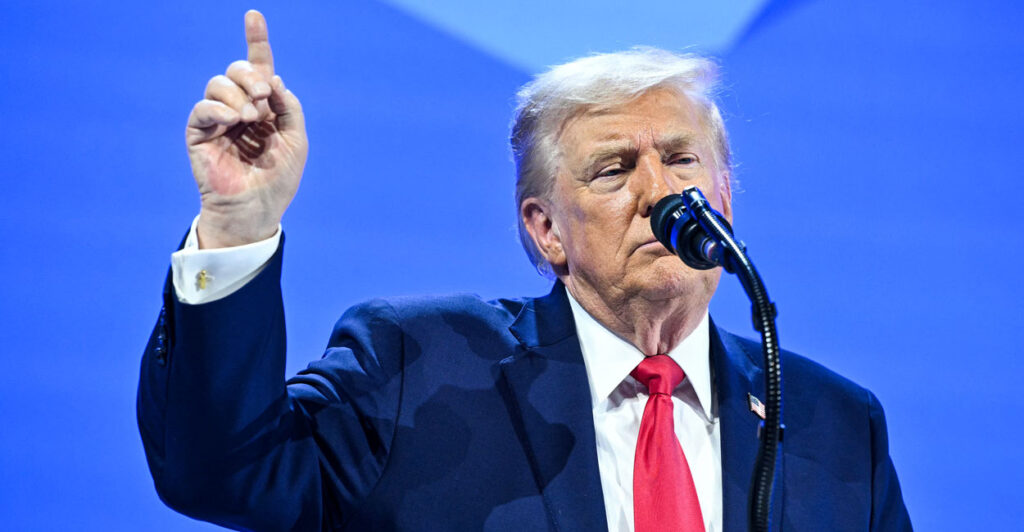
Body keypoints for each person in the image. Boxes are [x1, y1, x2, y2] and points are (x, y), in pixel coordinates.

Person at [138, 10, 912, 532]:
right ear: (544, 230)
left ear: (725, 197)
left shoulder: (835, 425)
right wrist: (238, 226)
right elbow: (222, 471)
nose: (660, 193)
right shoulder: (420, 366)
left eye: (682, 159)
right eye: (613, 169)